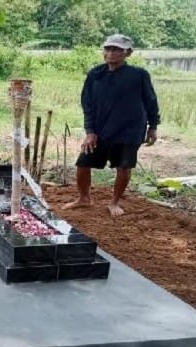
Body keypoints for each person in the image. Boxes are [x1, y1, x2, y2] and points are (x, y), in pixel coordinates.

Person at [62, 34, 160, 216]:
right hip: (100, 130)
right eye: (108, 49)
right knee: (83, 163)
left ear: (127, 53)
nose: (111, 53)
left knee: (123, 167)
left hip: (129, 130)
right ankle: (84, 198)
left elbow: (150, 101)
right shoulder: (95, 74)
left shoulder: (139, 75)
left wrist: (153, 126)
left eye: (117, 49)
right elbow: (87, 104)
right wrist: (90, 131)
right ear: (103, 52)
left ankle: (114, 202)